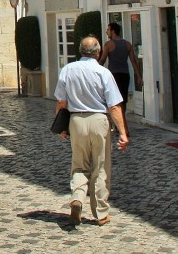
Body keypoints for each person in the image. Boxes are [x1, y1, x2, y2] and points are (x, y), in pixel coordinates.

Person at [55, 36, 129, 227]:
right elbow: (114, 106)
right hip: (99, 120)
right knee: (100, 167)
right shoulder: (103, 72)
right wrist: (122, 132)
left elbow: (61, 102)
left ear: (80, 50)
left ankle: (78, 198)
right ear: (97, 52)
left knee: (79, 165)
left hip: (76, 120)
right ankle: (101, 213)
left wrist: (62, 126)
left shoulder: (68, 70)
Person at [98, 22, 142, 121]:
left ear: (113, 31)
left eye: (108, 30)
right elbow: (133, 61)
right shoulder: (127, 44)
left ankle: (117, 122)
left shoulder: (109, 44)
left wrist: (93, 69)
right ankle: (122, 119)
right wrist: (139, 76)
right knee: (123, 99)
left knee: (113, 99)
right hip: (125, 75)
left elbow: (102, 60)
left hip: (113, 75)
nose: (106, 32)